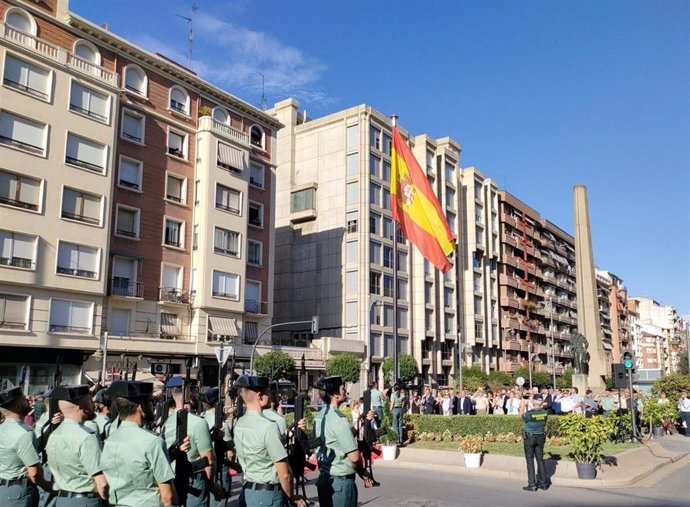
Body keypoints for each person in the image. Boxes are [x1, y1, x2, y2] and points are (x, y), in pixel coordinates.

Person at [101, 380, 180, 507]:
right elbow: (167, 496)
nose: (153, 407)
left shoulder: (110, 440)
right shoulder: (153, 441)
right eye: (150, 403)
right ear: (141, 407)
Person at [232, 375, 306, 507]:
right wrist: (291, 497)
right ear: (260, 396)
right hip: (267, 495)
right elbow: (284, 474)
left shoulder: (239, 423)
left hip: (248, 491)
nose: (270, 396)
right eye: (267, 393)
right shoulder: (268, 426)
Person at [314, 376, 374, 507]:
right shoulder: (339, 419)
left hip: (325, 480)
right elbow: (354, 457)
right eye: (342, 388)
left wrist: (359, 424)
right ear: (335, 394)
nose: (345, 391)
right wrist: (362, 472)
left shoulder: (319, 417)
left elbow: (333, 440)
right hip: (340, 484)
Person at [161, 376, 219, 507]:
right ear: (187, 393)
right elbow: (208, 459)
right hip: (194, 480)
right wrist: (211, 484)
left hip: (172, 479)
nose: (194, 394)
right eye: (192, 390)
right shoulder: (198, 422)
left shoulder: (165, 422)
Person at [45, 385, 108, 506]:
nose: (93, 405)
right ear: (81, 407)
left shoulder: (54, 435)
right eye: (89, 402)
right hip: (85, 500)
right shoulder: (86, 437)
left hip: (61, 500)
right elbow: (102, 483)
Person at [0, 386, 52, 507]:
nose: (28, 401)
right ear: (17, 407)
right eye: (24, 399)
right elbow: (33, 472)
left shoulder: (2, 428)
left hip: (4, 488)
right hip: (18, 491)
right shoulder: (24, 433)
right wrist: (48, 487)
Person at [519, 393, 550, 492]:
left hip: (530, 437)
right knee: (540, 460)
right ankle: (543, 483)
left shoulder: (530, 413)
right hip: (540, 437)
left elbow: (521, 416)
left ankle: (532, 484)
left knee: (530, 461)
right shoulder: (545, 413)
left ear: (533, 402)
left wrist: (523, 404)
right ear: (541, 402)